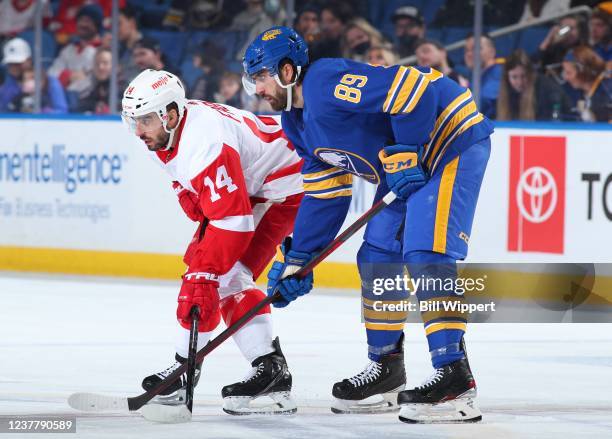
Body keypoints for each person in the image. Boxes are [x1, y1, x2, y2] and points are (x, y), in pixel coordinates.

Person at [243, 26, 493, 423]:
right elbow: (326, 195)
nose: (256, 88)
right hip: (409, 165)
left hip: (449, 141)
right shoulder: (295, 121)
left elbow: (415, 88)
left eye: (260, 76)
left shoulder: (325, 82)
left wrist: (407, 151)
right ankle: (387, 369)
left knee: (425, 251)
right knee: (377, 256)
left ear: (288, 71)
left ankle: (455, 378)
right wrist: (300, 257)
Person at [121, 69, 304, 414]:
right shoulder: (162, 133)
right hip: (253, 185)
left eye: (144, 120)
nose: (138, 130)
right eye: (133, 121)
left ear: (170, 115)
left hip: (282, 186)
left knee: (210, 278)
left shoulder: (205, 141)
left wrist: (204, 272)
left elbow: (233, 221)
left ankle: (184, 370)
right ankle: (268, 370)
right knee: (224, 278)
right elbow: (182, 175)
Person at [497, 49, 571, 120]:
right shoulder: (505, 91)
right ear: (506, 77)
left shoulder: (545, 90)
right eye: (514, 77)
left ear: (530, 74)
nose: (519, 82)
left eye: (523, 76)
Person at [0, 37, 67, 113]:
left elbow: (61, 111)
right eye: (10, 64)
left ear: (29, 61)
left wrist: (39, 112)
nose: (13, 67)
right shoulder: (6, 87)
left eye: (17, 63)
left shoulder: (50, 82)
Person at [48, 4, 103, 93]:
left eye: (88, 21)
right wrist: (68, 75)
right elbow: (52, 74)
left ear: (96, 25)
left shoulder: (102, 51)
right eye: (80, 20)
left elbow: (92, 81)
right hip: (65, 97)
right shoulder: (69, 50)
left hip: (90, 100)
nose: (83, 24)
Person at [562, 45, 611, 121]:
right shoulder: (573, 92)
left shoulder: (607, 92)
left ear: (583, 71)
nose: (565, 77)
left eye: (569, 73)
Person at [464, 34, 504, 119]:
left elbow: (482, 102)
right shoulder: (474, 77)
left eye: (476, 49)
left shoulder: (498, 72)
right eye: (467, 50)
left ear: (492, 52)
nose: (469, 54)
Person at [77, 47, 113, 113]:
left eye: (105, 63)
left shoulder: (125, 90)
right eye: (97, 64)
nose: (100, 67)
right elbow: (80, 106)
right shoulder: (94, 87)